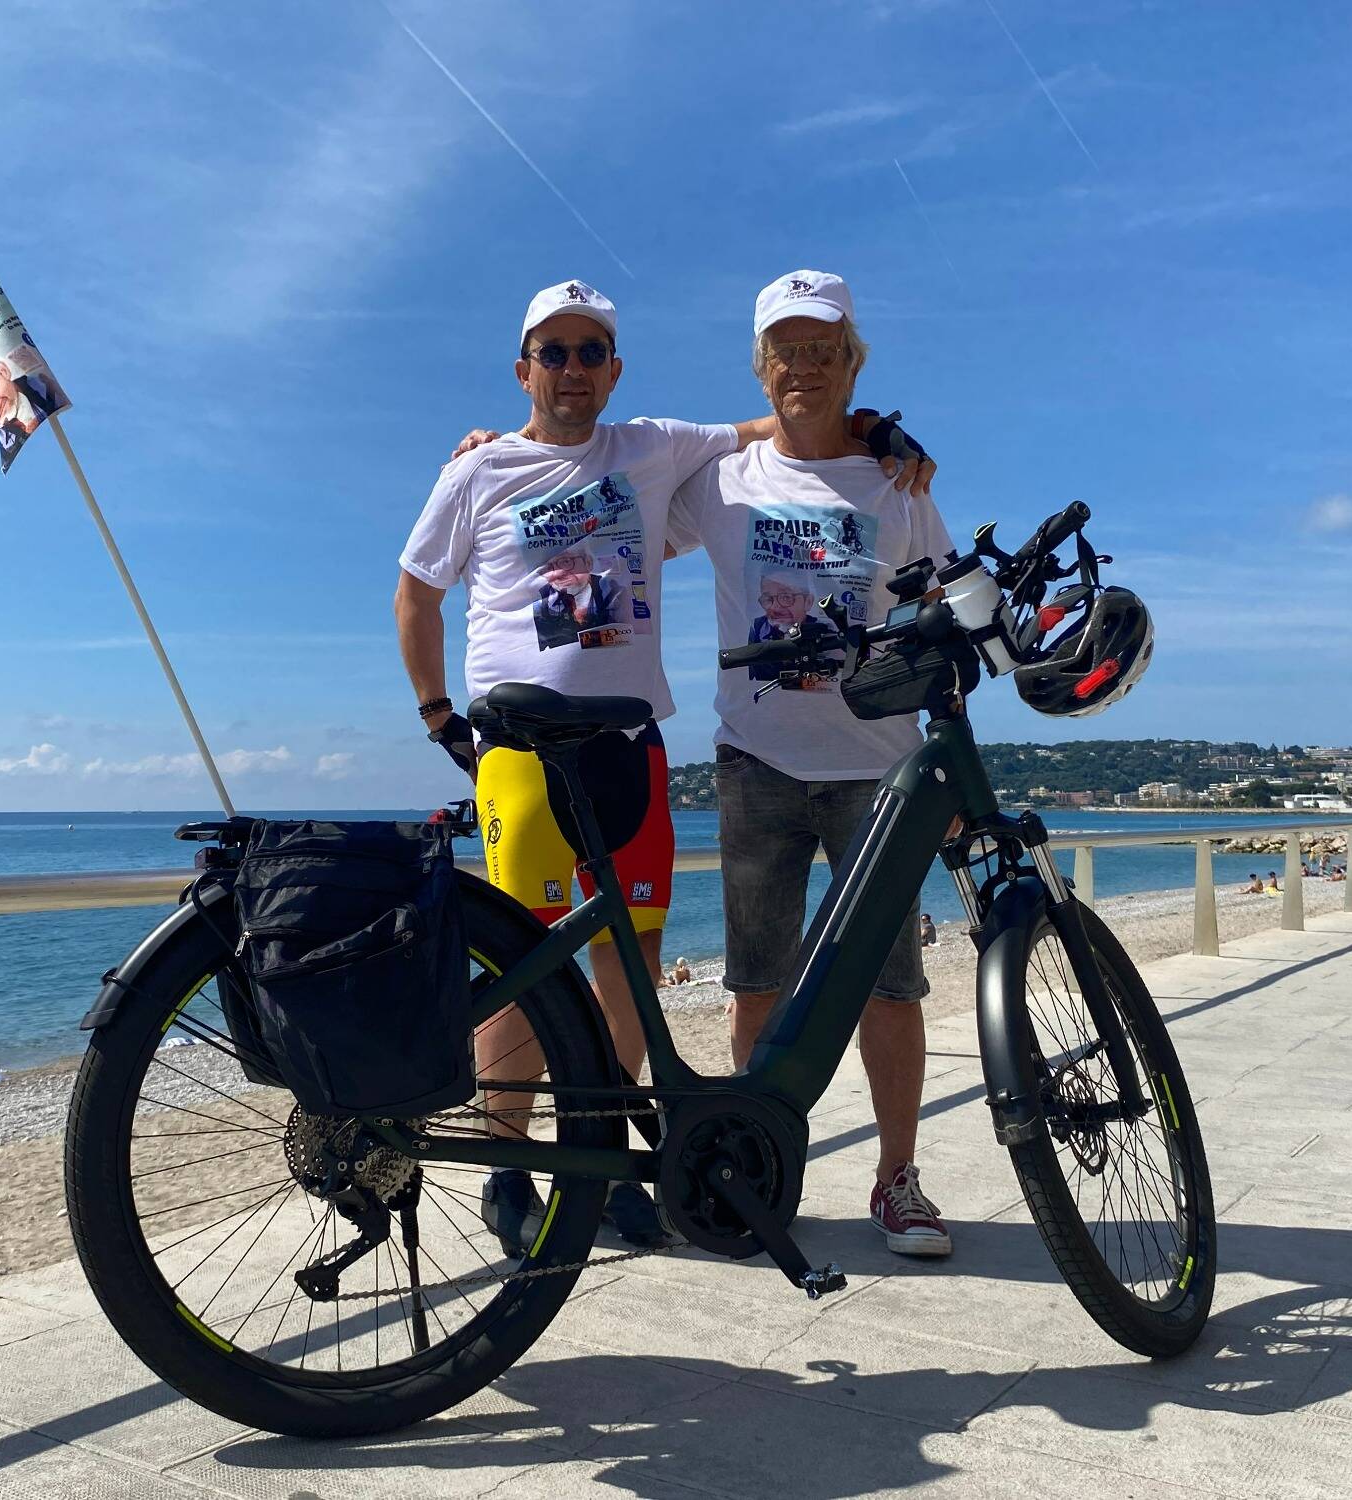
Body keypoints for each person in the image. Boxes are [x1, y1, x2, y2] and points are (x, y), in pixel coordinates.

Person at [400, 278, 932, 1257]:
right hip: (523, 752)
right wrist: (439, 715)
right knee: (525, 960)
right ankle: (509, 1163)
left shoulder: (651, 449)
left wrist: (867, 428)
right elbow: (415, 593)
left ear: (612, 368)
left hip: (633, 744)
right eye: (550, 352)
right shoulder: (480, 472)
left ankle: (596, 1160)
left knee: (633, 961)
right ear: (523, 368)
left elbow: (763, 424)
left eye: (587, 351)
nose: (569, 368)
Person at [669, 270, 956, 1257]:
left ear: (850, 360)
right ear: (760, 368)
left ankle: (897, 1179)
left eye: (821, 347)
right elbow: (609, 502)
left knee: (889, 985)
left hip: (878, 770)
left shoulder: (899, 483)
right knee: (754, 985)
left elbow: (936, 620)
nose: (802, 364)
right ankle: (758, 1168)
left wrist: (947, 769)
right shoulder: (718, 482)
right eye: (783, 349)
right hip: (755, 766)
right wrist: (505, 456)